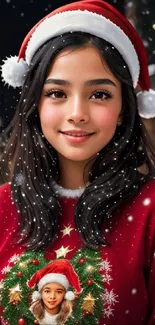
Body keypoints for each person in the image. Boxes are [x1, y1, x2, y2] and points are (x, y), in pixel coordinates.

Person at [0, 0, 155, 324]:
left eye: (99, 94)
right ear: (34, 103)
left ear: (125, 106)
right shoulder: (2, 206)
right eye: (57, 93)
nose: (77, 113)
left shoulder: (150, 211)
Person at [28, 259, 81, 325]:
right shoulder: (30, 314)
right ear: (40, 293)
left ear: (65, 295)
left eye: (59, 292)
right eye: (47, 291)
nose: (52, 296)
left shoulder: (72, 316)